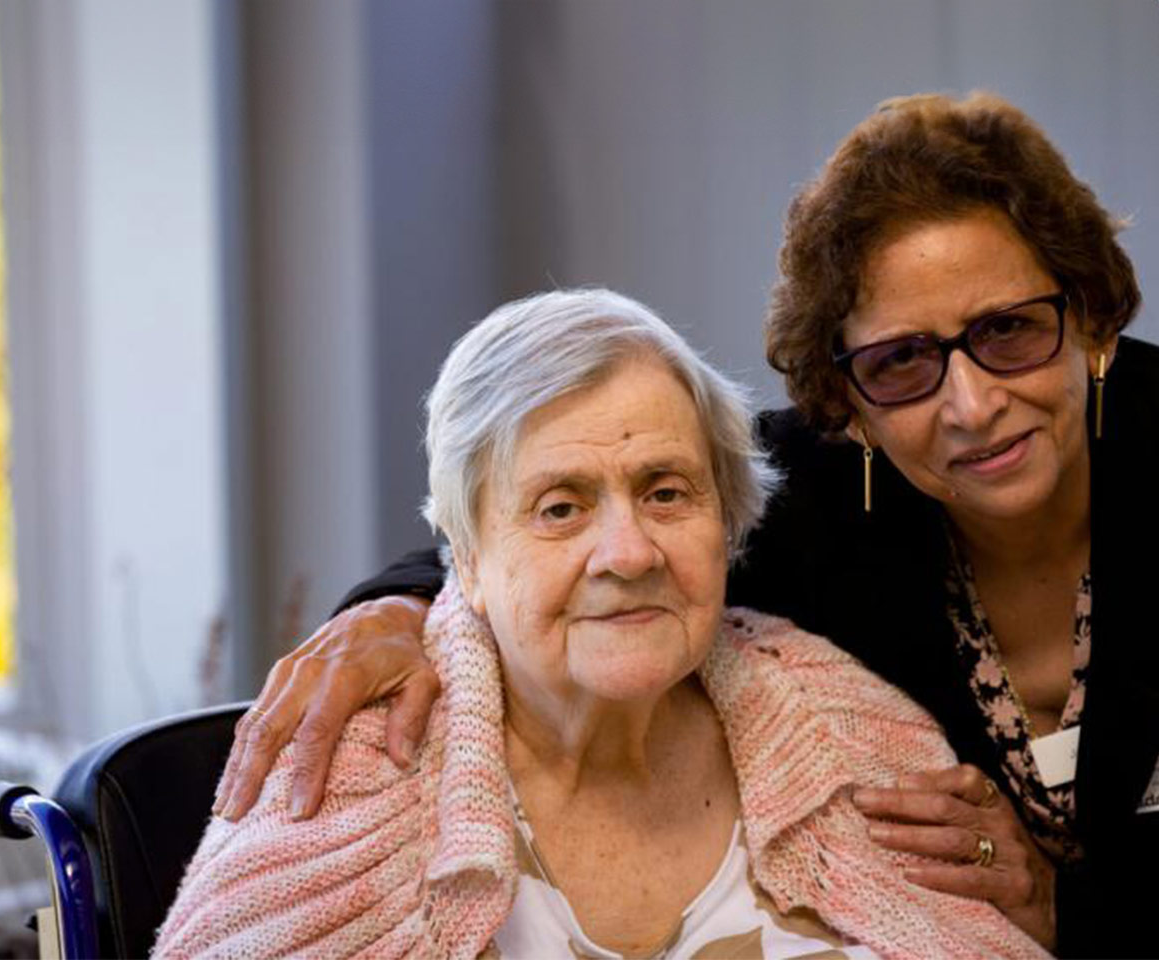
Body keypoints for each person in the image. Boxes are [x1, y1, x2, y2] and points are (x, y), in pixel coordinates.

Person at [211, 93, 1158, 958]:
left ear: (1093, 321)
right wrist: (394, 610)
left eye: (1008, 330)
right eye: (904, 360)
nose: (970, 403)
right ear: (849, 402)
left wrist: (1065, 911)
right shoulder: (817, 496)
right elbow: (574, 537)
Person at [156, 289, 1044, 958]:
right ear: (464, 558)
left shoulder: (854, 733)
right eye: (559, 508)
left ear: (726, 524)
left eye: (666, 493)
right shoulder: (350, 772)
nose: (628, 552)